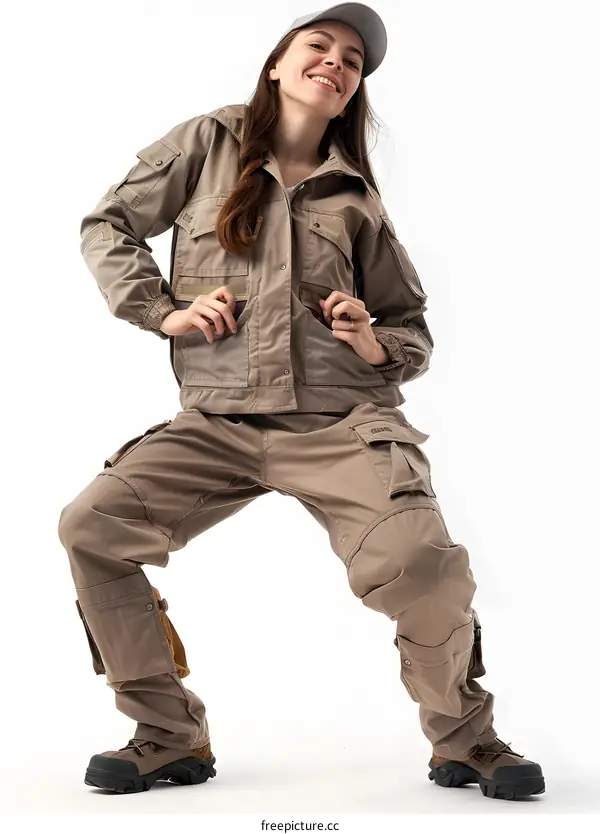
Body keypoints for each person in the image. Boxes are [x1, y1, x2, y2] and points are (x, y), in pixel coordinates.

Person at [58, 2, 545, 801]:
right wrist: (163, 311)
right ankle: (167, 734)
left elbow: (411, 328)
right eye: (319, 45)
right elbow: (107, 223)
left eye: (353, 60)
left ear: (354, 92)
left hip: (344, 424)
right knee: (92, 527)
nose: (337, 62)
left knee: (424, 566)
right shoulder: (206, 143)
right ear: (276, 64)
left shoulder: (356, 198)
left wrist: (372, 342)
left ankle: (466, 739)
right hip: (217, 422)